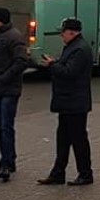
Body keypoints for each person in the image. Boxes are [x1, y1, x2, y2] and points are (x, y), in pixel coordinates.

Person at [38, 17, 94, 186]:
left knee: (78, 139)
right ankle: (58, 173)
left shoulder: (80, 50)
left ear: (72, 32)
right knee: (63, 138)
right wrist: (55, 62)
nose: (61, 36)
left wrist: (52, 66)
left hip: (75, 102)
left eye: (62, 33)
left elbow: (70, 73)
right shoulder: (72, 47)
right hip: (68, 102)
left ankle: (85, 173)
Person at [0, 7, 27, 182]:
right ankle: (8, 158)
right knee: (2, 126)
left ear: (0, 20)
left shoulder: (15, 38)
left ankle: (6, 164)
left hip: (9, 89)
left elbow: (21, 62)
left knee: (6, 126)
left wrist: (3, 78)